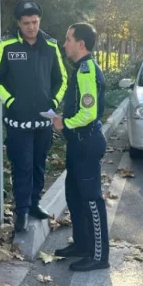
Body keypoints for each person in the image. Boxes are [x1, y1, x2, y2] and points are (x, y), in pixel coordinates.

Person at [0, 0, 67, 232]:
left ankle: (34, 204)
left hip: (43, 120)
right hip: (17, 121)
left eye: (34, 22)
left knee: (39, 165)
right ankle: (20, 211)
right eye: (26, 23)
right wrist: (11, 101)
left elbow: (61, 79)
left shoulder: (50, 46)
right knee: (22, 166)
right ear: (19, 23)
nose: (31, 27)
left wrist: (53, 101)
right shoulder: (7, 46)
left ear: (39, 21)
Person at [52, 23, 109, 272]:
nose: (65, 44)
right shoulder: (81, 69)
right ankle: (82, 245)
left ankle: (99, 255)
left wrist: (64, 122)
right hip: (79, 142)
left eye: (68, 39)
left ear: (81, 44)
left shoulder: (86, 70)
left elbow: (89, 112)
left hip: (86, 142)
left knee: (91, 199)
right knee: (74, 196)